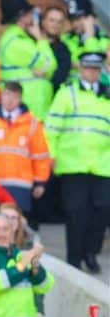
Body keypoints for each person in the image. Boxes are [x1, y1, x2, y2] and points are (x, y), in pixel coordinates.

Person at [45, 51, 110, 272]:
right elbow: (51, 127)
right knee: (75, 213)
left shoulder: (107, 95)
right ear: (81, 69)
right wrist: (51, 156)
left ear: (100, 71)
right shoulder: (67, 93)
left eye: (96, 69)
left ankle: (90, 252)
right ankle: (74, 259)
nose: (92, 73)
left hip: (103, 166)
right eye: (88, 68)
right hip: (73, 164)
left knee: (103, 209)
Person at [0, 82, 51, 220]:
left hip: (20, 185)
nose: (10, 100)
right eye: (7, 95)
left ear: (21, 98)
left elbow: (41, 155)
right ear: (1, 96)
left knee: (17, 225)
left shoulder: (32, 124)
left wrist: (40, 182)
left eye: (15, 96)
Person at [0, 0, 56, 120]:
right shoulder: (18, 43)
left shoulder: (16, 39)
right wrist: (41, 39)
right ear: (22, 16)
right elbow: (51, 64)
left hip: (29, 109)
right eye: (30, 13)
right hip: (30, 109)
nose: (33, 16)